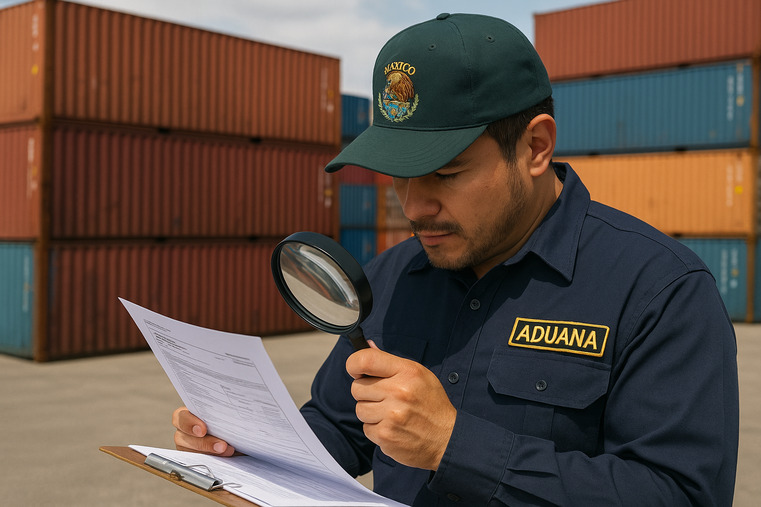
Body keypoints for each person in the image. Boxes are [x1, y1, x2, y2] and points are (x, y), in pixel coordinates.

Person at [173, 13, 739, 506]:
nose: (415, 207)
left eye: (447, 173)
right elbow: (340, 427)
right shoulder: (394, 278)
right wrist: (245, 446)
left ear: (536, 146)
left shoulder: (660, 289)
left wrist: (453, 444)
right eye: (399, 177)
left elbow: (681, 494)